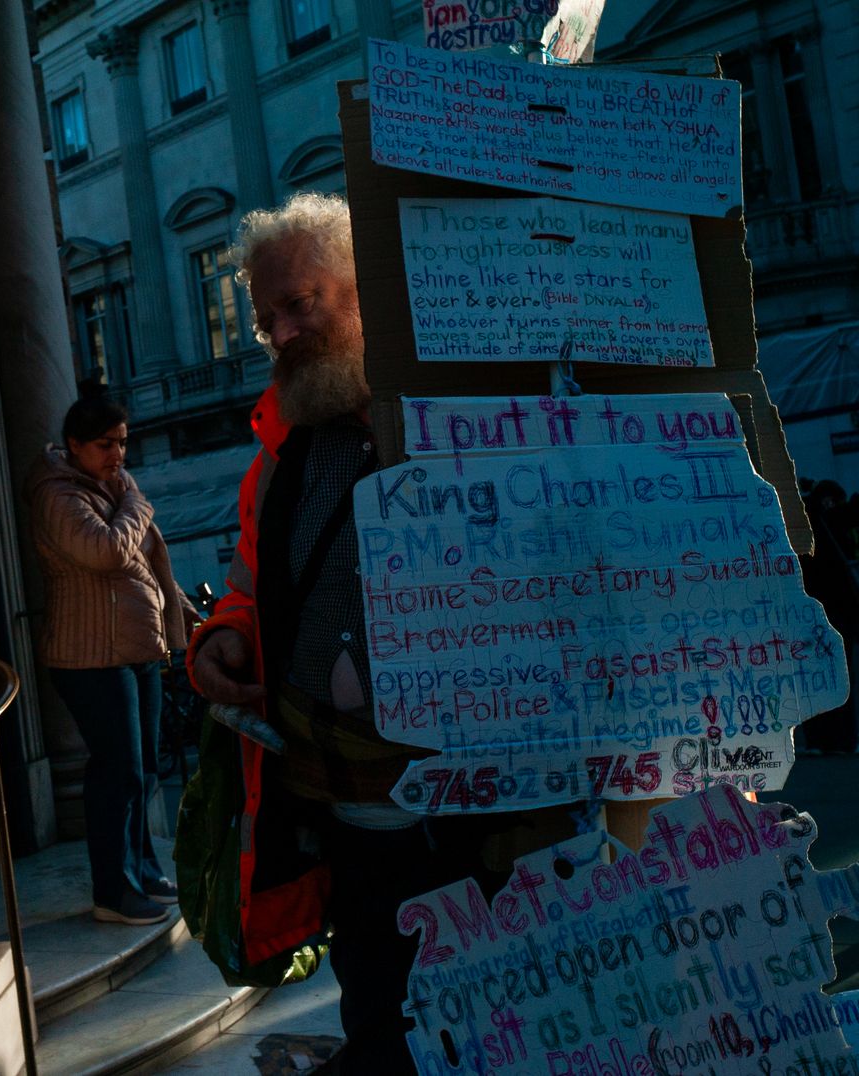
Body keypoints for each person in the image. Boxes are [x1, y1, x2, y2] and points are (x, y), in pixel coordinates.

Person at [184, 192, 571, 1073]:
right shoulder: (280, 453)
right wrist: (221, 641)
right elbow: (249, 585)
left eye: (300, 303)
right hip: (351, 821)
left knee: (502, 1033)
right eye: (266, 316)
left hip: (488, 820)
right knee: (382, 1025)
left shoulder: (469, 417)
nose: (281, 333)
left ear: (367, 294)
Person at [27, 393, 198, 925]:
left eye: (123, 442)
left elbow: (148, 567)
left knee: (143, 770)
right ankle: (114, 892)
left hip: (135, 648)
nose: (118, 454)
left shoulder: (111, 488)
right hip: (89, 656)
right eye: (106, 444)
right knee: (117, 772)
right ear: (75, 444)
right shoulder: (58, 494)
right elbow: (104, 551)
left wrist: (186, 616)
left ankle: (142, 871)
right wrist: (136, 506)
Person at [797, 479, 859, 754]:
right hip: (837, 614)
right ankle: (845, 739)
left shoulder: (798, 529)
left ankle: (819, 740)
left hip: (807, 614)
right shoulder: (833, 523)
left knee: (812, 680)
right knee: (842, 678)